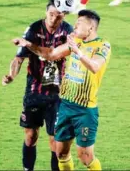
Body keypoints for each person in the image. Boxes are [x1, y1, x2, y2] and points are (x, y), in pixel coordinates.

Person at [13, 9, 111, 170]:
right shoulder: (75, 42)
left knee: (85, 156)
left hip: (85, 109)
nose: (74, 26)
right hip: (65, 106)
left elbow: (95, 67)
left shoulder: (103, 45)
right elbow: (51, 54)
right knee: (61, 154)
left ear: (91, 28)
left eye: (79, 23)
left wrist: (77, 51)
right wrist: (28, 44)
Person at [2, 0, 73, 171]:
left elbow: (54, 53)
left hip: (57, 92)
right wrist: (11, 76)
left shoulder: (68, 31)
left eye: (58, 15)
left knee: (55, 140)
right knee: (30, 136)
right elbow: (18, 59)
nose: (54, 18)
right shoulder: (34, 29)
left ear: (64, 15)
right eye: (51, 14)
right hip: (34, 91)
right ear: (46, 12)